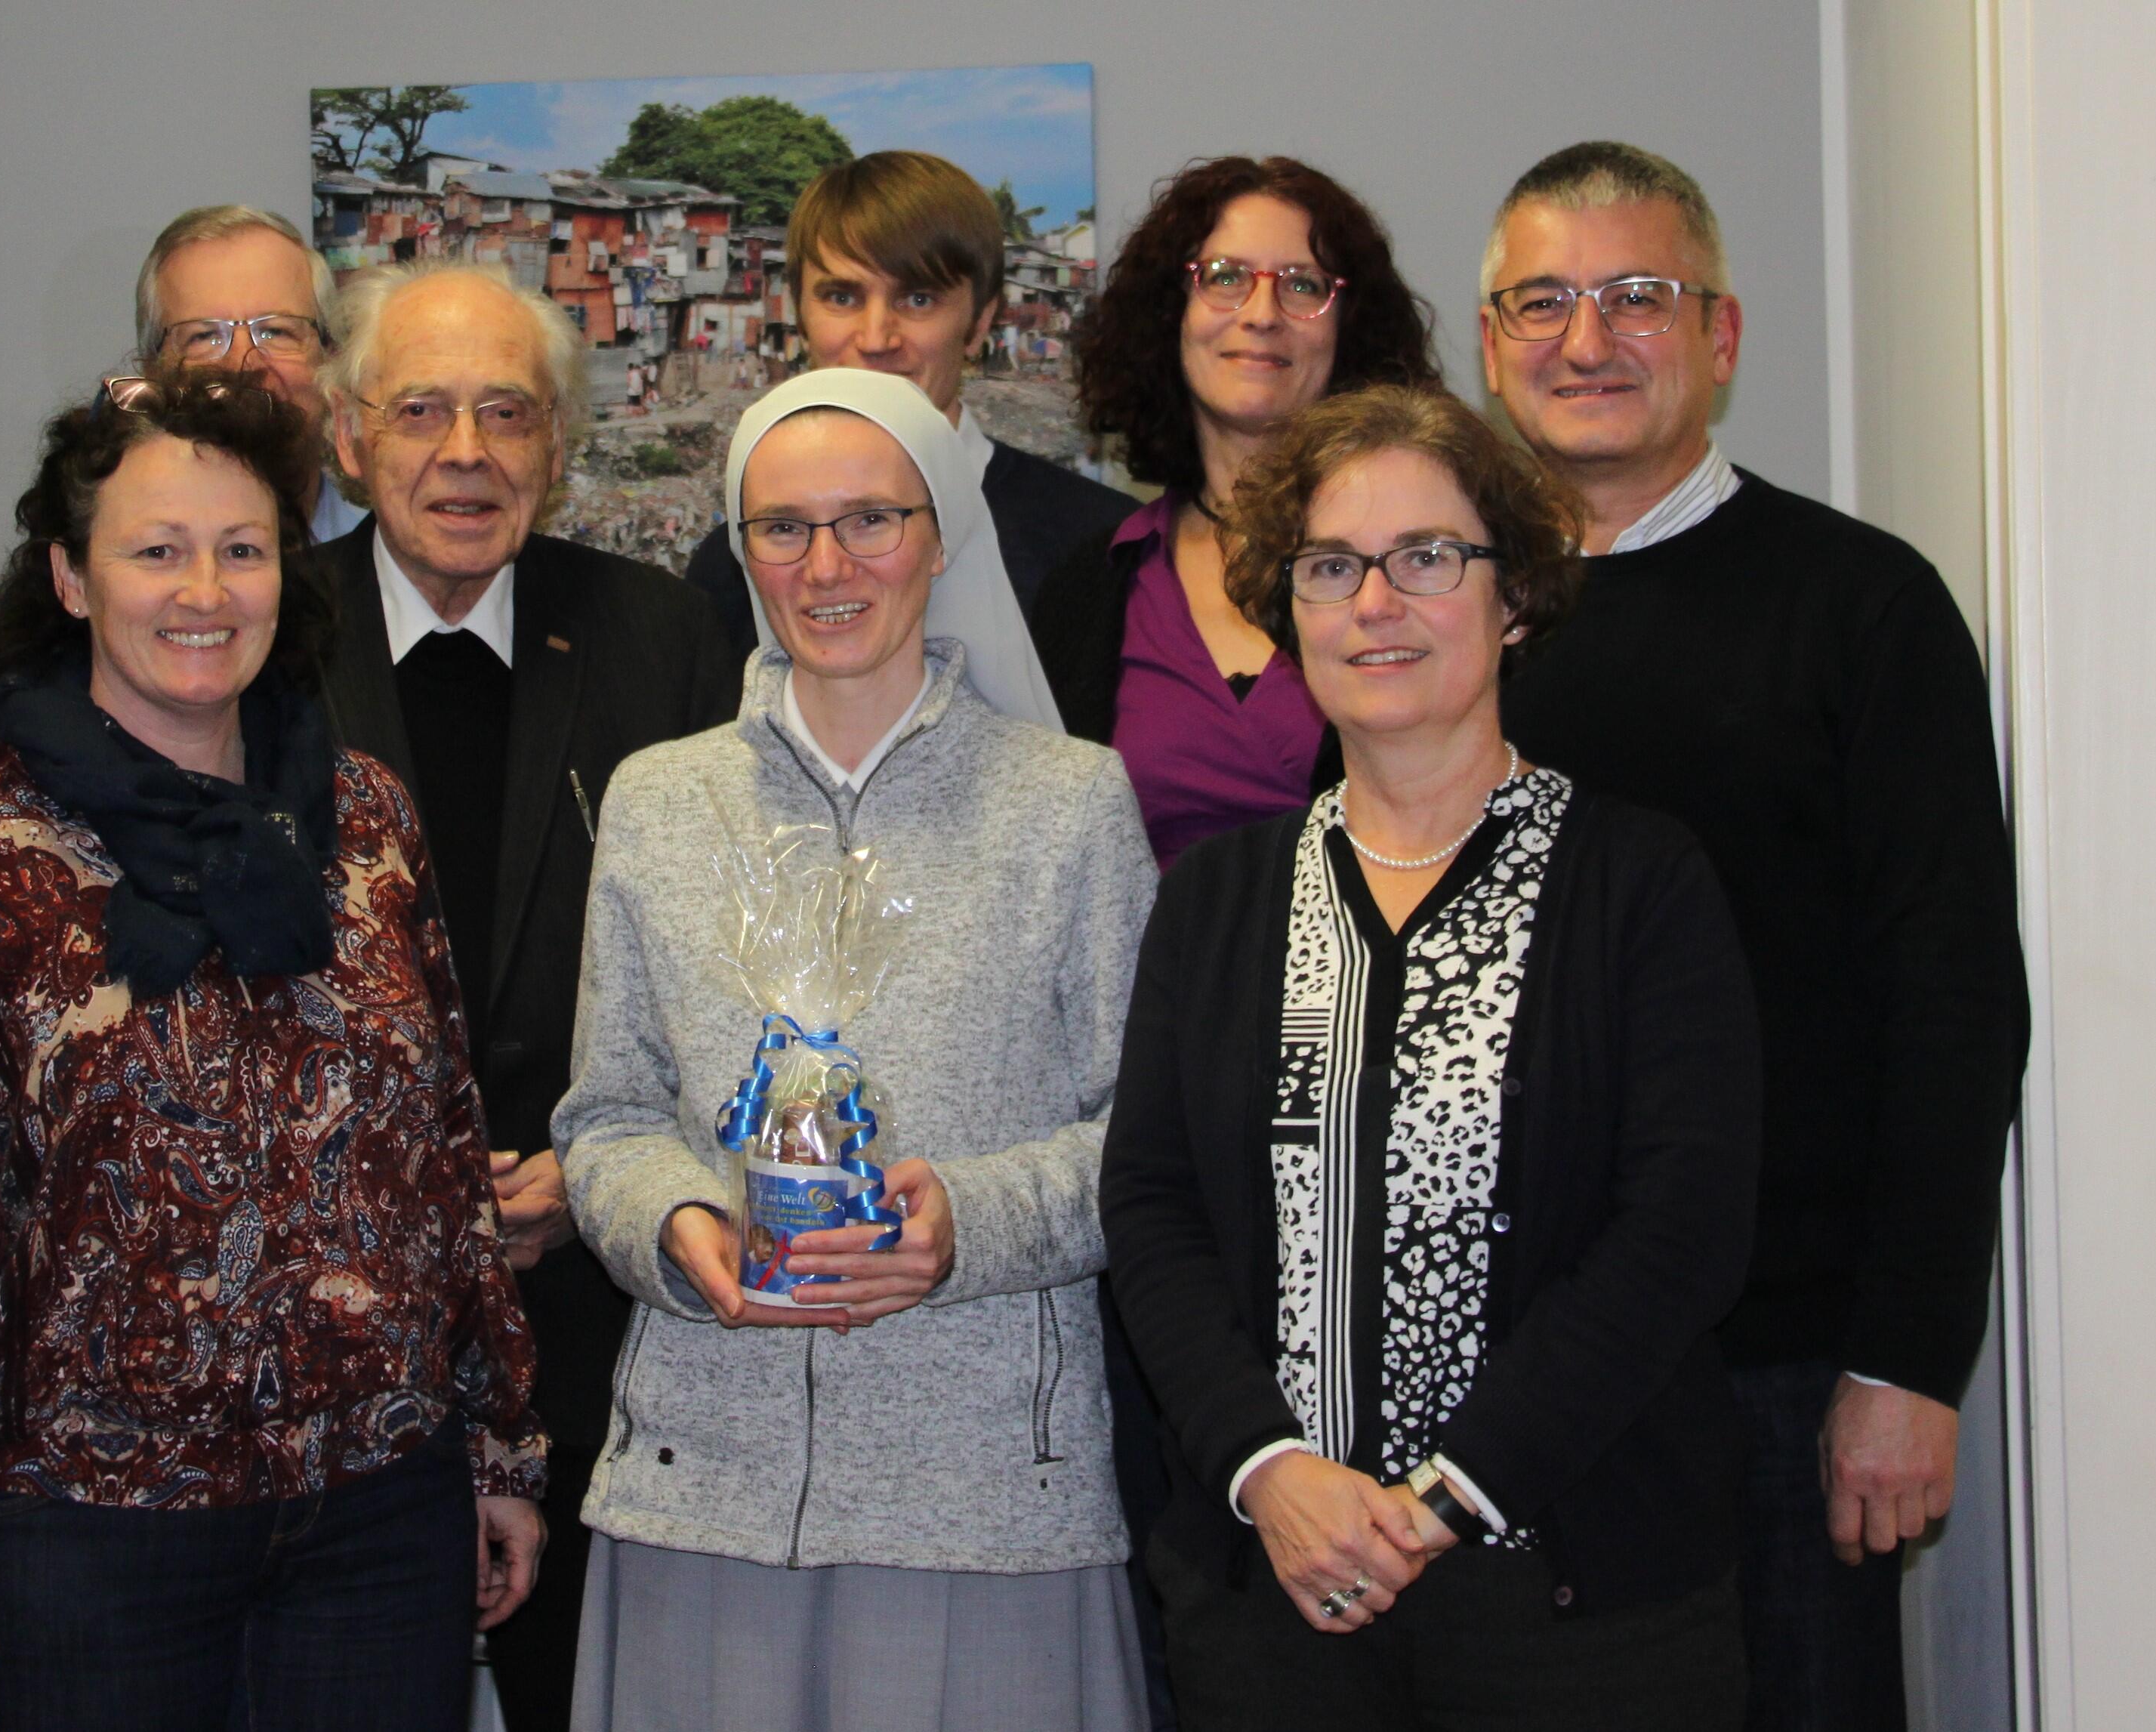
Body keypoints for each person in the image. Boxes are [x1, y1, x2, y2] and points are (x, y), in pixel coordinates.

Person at [0, 369, 547, 1732]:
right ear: (72, 578)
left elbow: (447, 1151)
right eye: (156, 550)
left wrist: (499, 1441)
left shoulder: (365, 820)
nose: (205, 589)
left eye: (243, 547)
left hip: (378, 1520)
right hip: (82, 1539)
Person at [1102, 384, 1761, 1729]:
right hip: (1275, 1598)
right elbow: (1153, 1210)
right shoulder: (1220, 896)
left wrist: (1444, 1497)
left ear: (1513, 596)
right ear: (1290, 611)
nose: (1375, 602)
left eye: (1428, 558)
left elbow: (1682, 1230)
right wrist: (1267, 1470)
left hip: (1580, 1606)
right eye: (1331, 567)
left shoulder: (1639, 881)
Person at [1479, 142, 2029, 1730]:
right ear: (1489, 340)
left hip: (1781, 1375)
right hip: (1499, 1380)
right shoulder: (1425, 623)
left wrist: (1906, 1363)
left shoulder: (1859, 609)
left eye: (1635, 297)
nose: (1584, 341)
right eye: (1541, 302)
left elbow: (1948, 1003)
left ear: (1719, 336)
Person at [557, 369, 1161, 1731]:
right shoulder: (661, 803)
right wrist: (675, 1223)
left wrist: (969, 1225)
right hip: (702, 1470)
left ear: (939, 536)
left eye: (871, 520)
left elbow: (1146, 1134)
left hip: (986, 1489)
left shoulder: (1069, 805)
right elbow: (605, 1115)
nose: (827, 565)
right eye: (782, 527)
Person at [313, 258, 739, 1732]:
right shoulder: (256, 639)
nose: (464, 453)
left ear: (557, 445)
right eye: (421, 409)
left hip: (589, 1296)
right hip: (325, 1309)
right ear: (347, 433)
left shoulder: (662, 642)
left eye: (506, 413)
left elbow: (735, 966)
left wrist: (605, 1170)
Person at [1034, 156, 1444, 868]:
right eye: (1223, 279)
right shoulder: (1090, 587)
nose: (1260, 315)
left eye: (1301, 286)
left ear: (1349, 327)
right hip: (1148, 980)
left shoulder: (1429, 574)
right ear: (1170, 316)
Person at [683, 152, 1137, 662]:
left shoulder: (1102, 546)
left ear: (980, 323)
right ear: (799, 315)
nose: (876, 339)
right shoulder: (728, 569)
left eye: (918, 300)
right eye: (841, 297)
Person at [135, 203, 367, 545]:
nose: (244, 363)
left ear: (330, 361)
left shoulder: (392, 563)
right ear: (151, 372)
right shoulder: (106, 580)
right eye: (204, 336)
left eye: (276, 331)